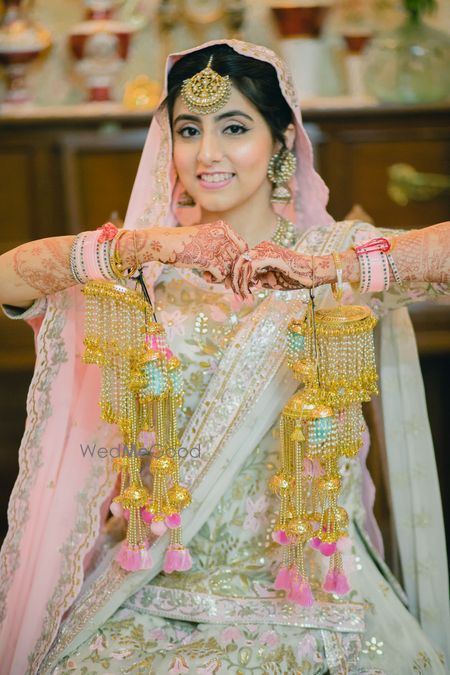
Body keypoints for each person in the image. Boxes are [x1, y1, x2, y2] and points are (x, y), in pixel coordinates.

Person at [0, 39, 449, 675]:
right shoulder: (138, 268)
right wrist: (148, 244)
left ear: (281, 143)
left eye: (234, 127)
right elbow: (6, 278)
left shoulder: (339, 257)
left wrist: (330, 268)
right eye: (189, 130)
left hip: (306, 594)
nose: (207, 154)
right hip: (151, 583)